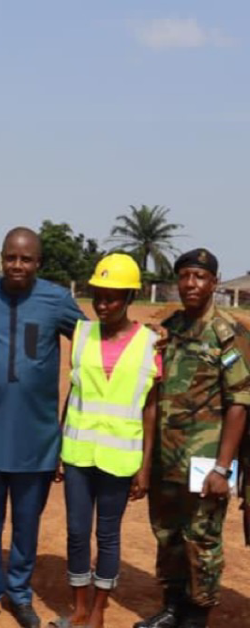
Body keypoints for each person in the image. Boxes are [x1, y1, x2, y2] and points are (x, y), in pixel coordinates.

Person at [0, 227, 85, 628]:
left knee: (27, 524)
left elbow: (96, 341)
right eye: (10, 257)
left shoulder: (57, 301)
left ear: (38, 263)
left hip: (36, 439)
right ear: (1, 258)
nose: (17, 265)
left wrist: (144, 339)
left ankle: (20, 594)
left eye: (26, 259)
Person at [135, 248, 250, 628]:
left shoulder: (227, 334)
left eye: (199, 277)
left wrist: (222, 466)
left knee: (201, 539)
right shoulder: (171, 328)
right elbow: (154, 392)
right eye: (184, 276)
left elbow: (239, 403)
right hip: (167, 458)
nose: (191, 284)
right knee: (167, 535)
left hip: (206, 463)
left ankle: (196, 616)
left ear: (215, 284)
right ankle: (172, 607)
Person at [53, 254, 160, 628]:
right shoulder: (81, 334)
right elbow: (74, 393)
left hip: (121, 457)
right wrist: (59, 449)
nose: (103, 304)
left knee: (108, 535)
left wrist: (145, 467)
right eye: (98, 296)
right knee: (78, 532)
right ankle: (79, 607)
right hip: (79, 452)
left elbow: (150, 408)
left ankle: (99, 609)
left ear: (130, 297)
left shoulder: (150, 343)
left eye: (112, 297)